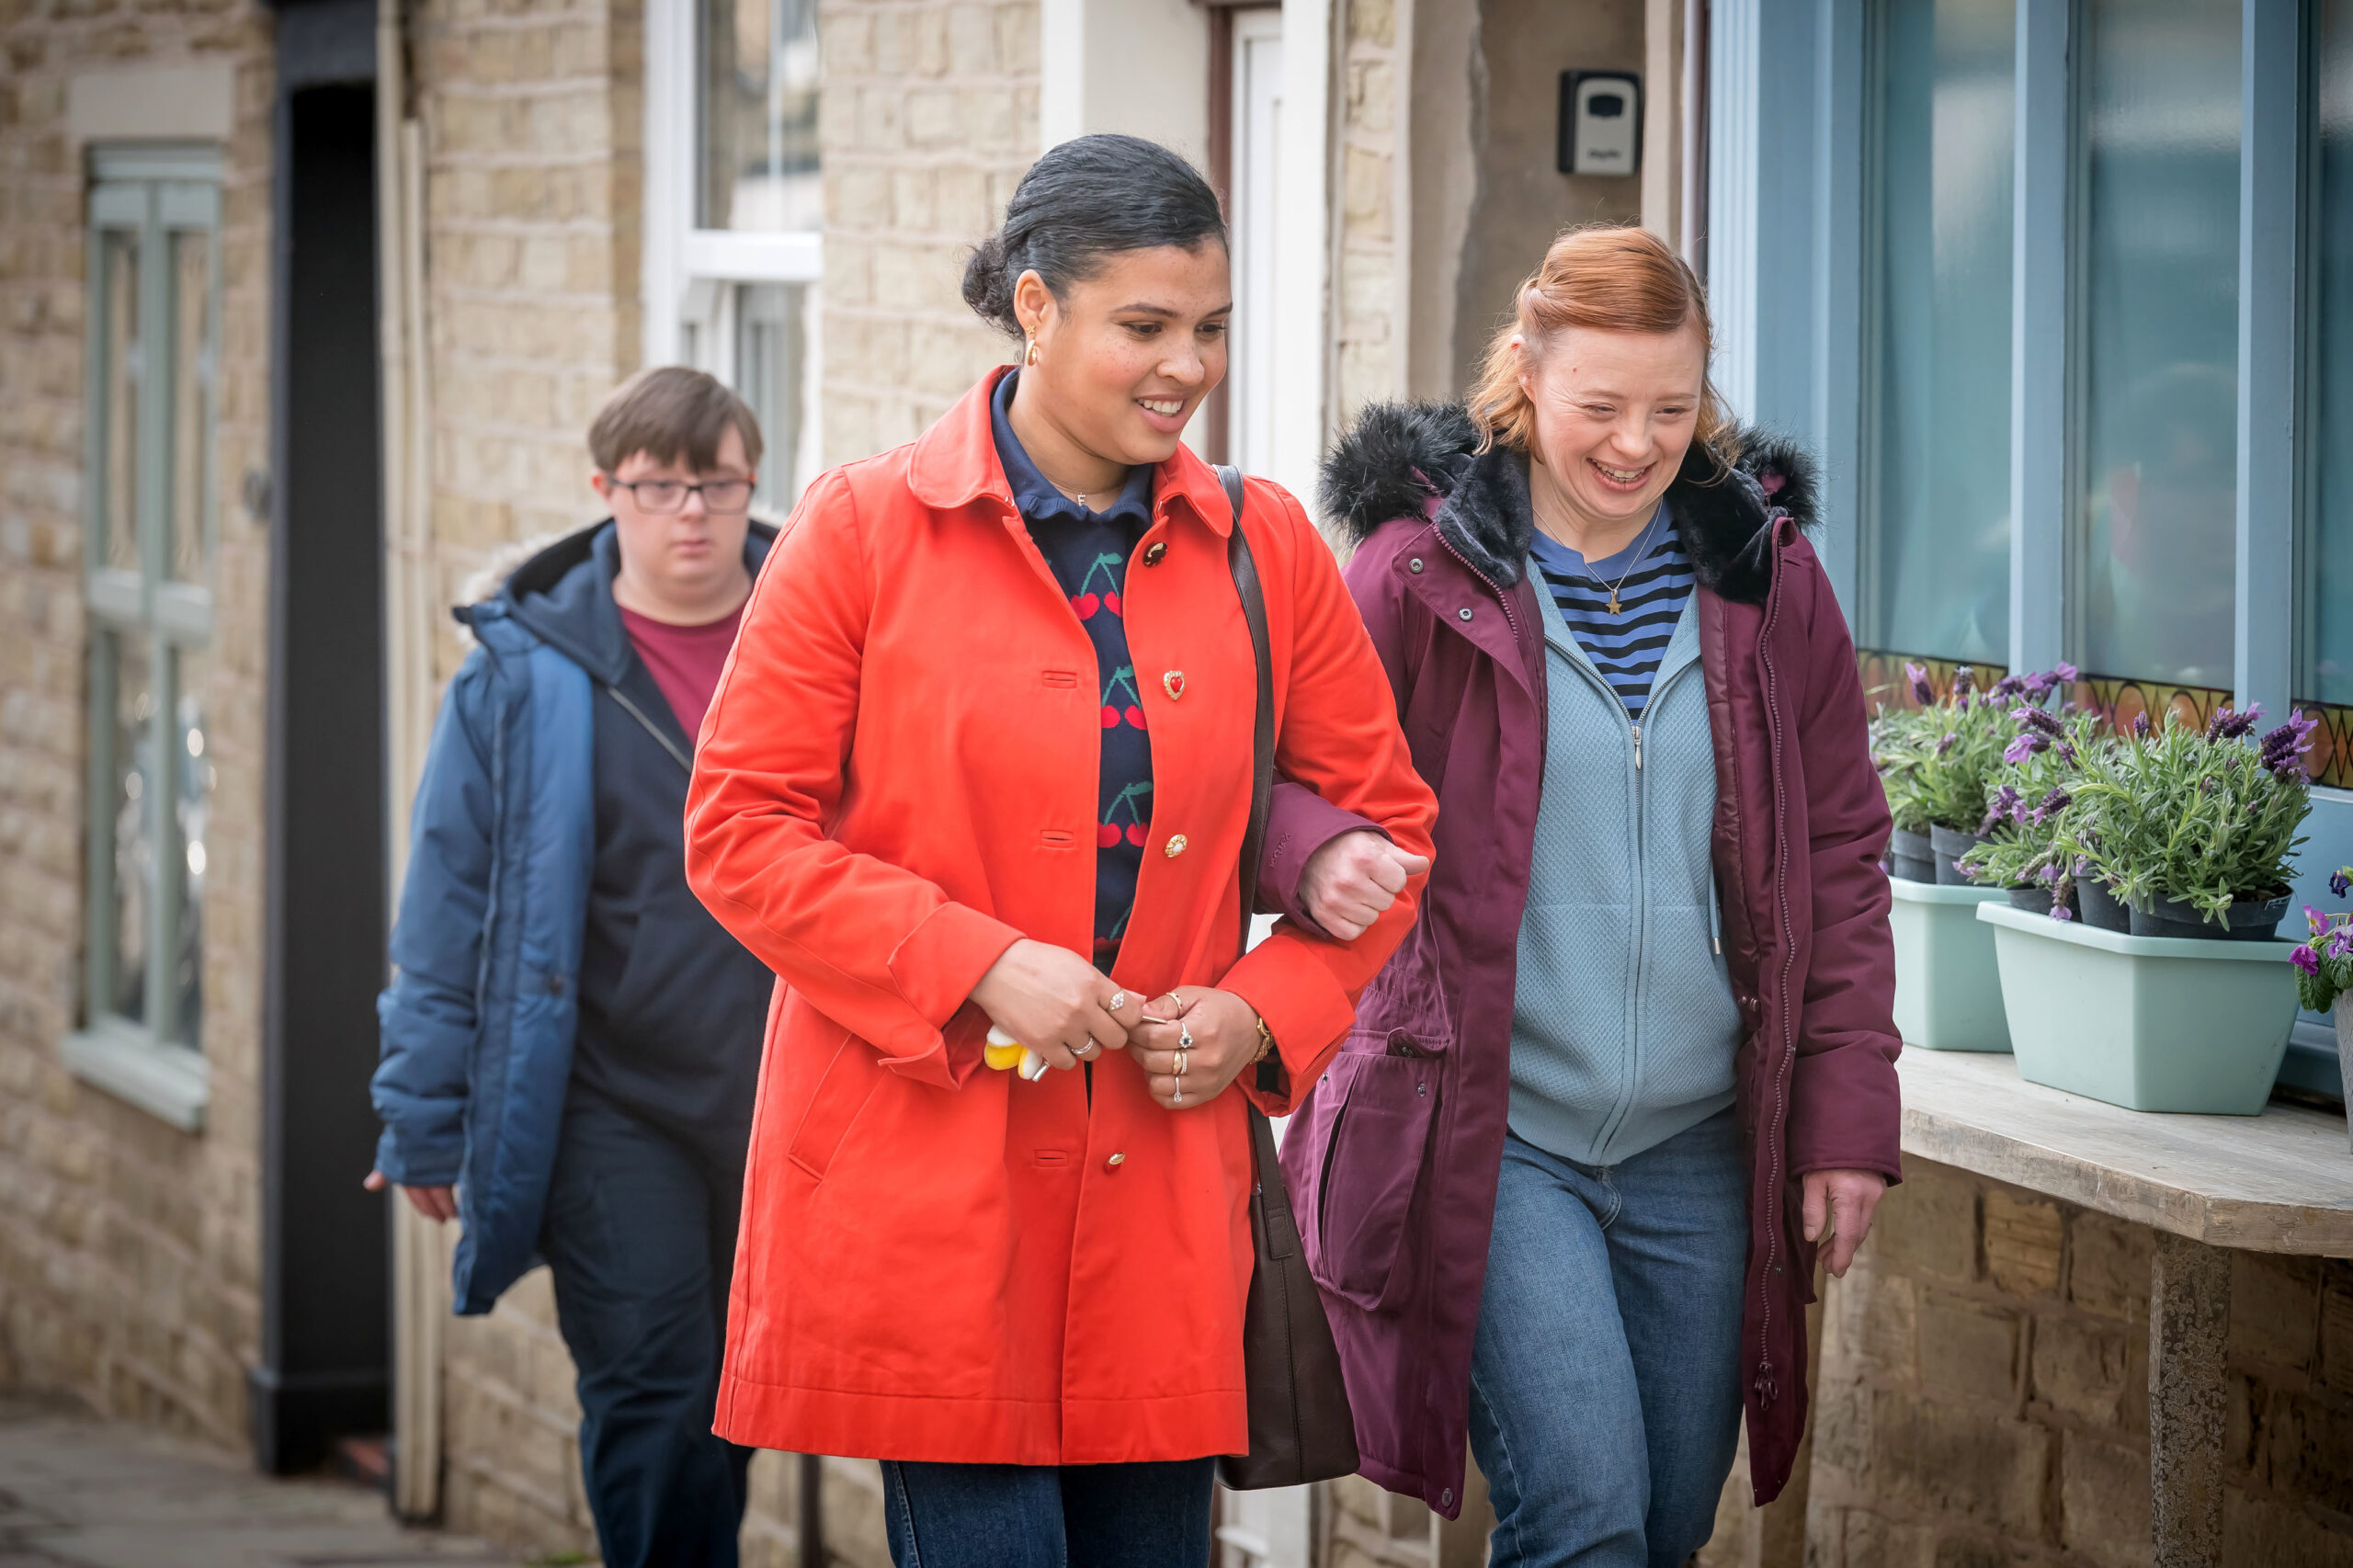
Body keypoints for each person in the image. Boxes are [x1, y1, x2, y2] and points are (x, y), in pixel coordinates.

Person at [680, 134, 1438, 1568]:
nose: (1185, 365)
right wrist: (979, 966)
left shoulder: (1265, 547)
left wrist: (1258, 1014)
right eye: (1142, 326)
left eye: (1208, 329)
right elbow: (736, 831)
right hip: (926, 1182)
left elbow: (1393, 833)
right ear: (1035, 309)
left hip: (1158, 1187)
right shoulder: (858, 531)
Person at [1277, 224, 1903, 1567]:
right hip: (1491, 1137)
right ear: (1525, 373)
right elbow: (1280, 784)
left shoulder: (1769, 582)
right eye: (1598, 407)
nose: (1635, 443)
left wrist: (1844, 1114)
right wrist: (1318, 851)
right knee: (1588, 1511)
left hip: (1701, 1147)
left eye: (1671, 410)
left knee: (1665, 1530)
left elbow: (1844, 852)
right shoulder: (1416, 576)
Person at [368, 368, 777, 1568]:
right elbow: (448, 903)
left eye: (718, 484)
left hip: (785, 1091)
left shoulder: (822, 632)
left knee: (739, 1393)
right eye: (659, 488)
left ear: (753, 483)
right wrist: (420, 1112)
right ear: (607, 493)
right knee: (656, 1380)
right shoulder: (525, 672)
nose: (692, 514)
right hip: (609, 1095)